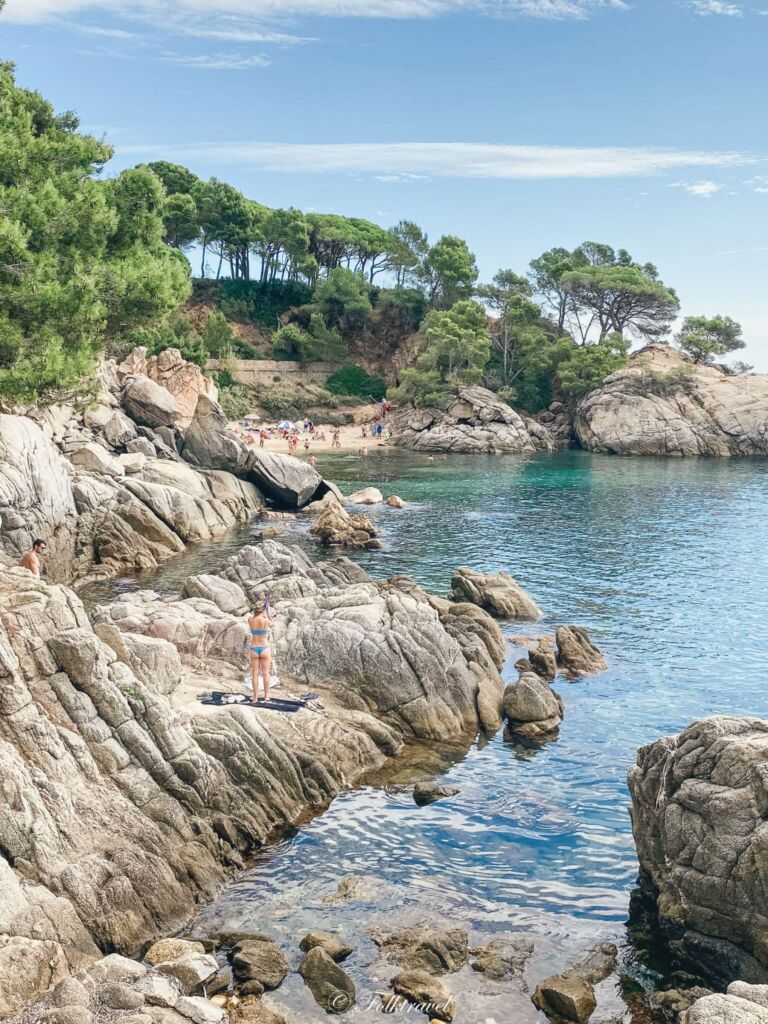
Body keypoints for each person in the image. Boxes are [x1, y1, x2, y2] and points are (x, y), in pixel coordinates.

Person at [248, 599, 275, 702]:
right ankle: (267, 696)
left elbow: (254, 617)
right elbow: (272, 623)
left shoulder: (250, 619)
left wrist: (264, 610)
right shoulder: (265, 621)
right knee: (265, 673)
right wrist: (268, 612)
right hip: (264, 648)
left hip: (254, 648)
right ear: (263, 610)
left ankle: (255, 698)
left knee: (254, 674)